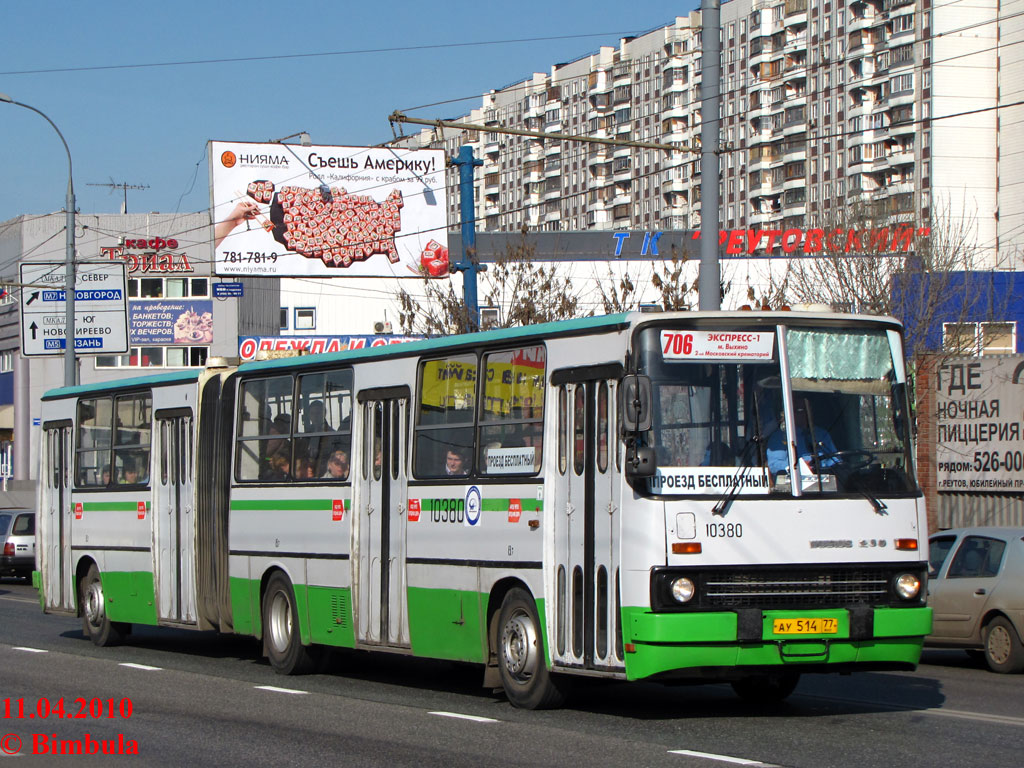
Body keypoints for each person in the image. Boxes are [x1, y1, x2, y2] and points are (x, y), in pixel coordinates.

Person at [765, 402, 840, 474]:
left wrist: (825, 468)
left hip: (823, 483)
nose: (804, 413)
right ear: (790, 412)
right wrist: (801, 467)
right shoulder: (779, 436)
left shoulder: (822, 434)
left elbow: (835, 460)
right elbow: (774, 465)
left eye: (807, 409)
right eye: (799, 410)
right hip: (795, 483)